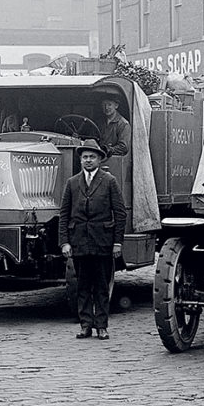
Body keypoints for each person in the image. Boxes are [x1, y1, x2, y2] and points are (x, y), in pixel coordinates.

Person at [59, 139, 127, 340]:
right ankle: (85, 325)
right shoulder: (72, 183)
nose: (88, 161)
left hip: (102, 242)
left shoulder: (109, 181)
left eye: (92, 157)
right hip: (79, 242)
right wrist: (65, 242)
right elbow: (64, 215)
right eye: (85, 157)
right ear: (80, 160)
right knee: (82, 286)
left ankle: (102, 326)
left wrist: (117, 242)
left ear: (99, 159)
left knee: (101, 286)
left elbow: (120, 213)